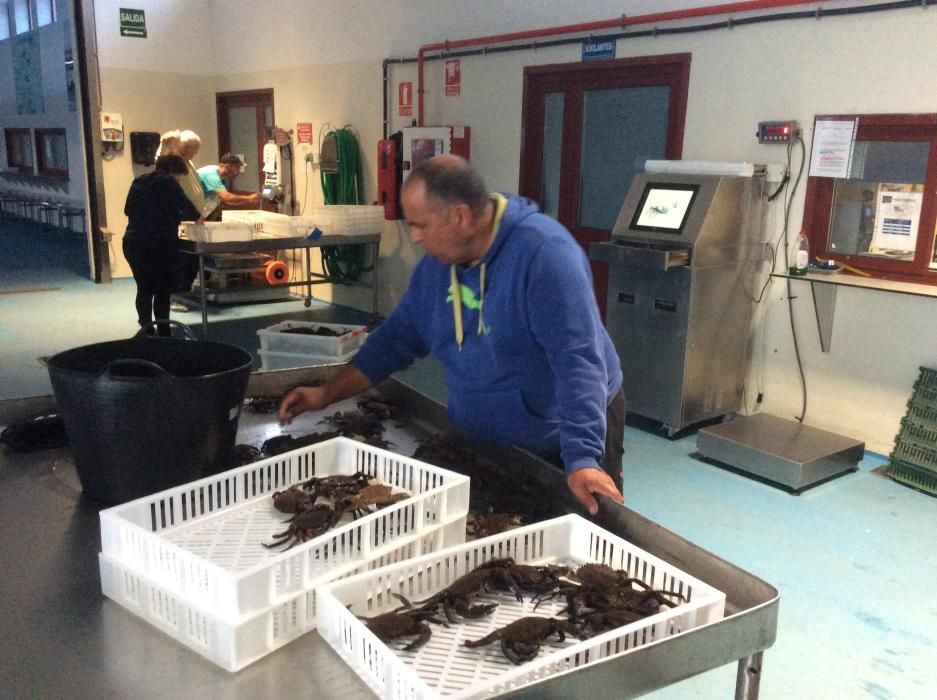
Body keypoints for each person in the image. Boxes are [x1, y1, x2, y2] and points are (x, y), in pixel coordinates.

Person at [278, 155, 625, 515]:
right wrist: (327, 393)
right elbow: (395, 340)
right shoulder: (435, 270)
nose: (413, 236)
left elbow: (578, 362)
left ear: (460, 217)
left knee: (571, 533)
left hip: (562, 432)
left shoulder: (545, 256)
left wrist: (582, 456)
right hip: (488, 434)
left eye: (420, 225)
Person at [122, 155, 201, 336]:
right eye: (179, 175)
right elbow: (187, 206)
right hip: (157, 244)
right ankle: (164, 330)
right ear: (173, 170)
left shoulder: (139, 181)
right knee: (163, 290)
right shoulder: (167, 181)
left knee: (144, 288)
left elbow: (128, 210)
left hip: (133, 242)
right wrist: (198, 219)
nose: (179, 179)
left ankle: (146, 328)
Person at [197, 153, 261, 220]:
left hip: (201, 215)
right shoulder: (211, 174)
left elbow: (227, 201)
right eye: (237, 167)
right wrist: (249, 198)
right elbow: (227, 197)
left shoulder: (224, 180)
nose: (238, 172)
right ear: (227, 166)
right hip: (190, 212)